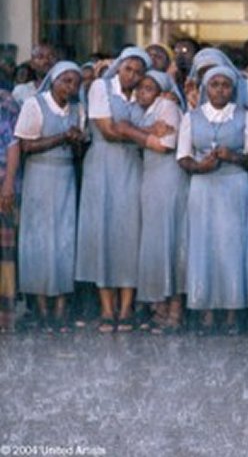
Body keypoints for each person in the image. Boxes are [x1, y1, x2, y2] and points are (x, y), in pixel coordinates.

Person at [177, 66, 248, 335]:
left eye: (226, 85)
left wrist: (234, 157)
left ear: (233, 89)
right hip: (203, 187)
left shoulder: (244, 116)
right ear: (206, 88)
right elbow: (183, 156)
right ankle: (206, 313)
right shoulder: (192, 117)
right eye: (214, 85)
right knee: (204, 245)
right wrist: (199, 167)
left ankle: (232, 313)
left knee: (232, 246)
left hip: (234, 186)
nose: (220, 90)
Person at [74, 47, 152, 333]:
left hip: (133, 166)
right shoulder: (101, 88)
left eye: (139, 72)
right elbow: (107, 130)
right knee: (103, 233)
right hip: (102, 167)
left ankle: (126, 307)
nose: (132, 75)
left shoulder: (145, 94)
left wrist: (132, 132)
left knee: (130, 233)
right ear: (118, 67)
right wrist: (146, 135)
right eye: (128, 68)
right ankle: (107, 308)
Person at [14, 61, 85, 333]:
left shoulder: (78, 109)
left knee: (64, 240)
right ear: (53, 80)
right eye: (66, 81)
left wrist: (76, 141)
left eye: (76, 83)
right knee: (39, 241)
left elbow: (79, 151)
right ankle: (42, 309)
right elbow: (26, 145)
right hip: (40, 178)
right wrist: (62, 137)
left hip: (65, 177)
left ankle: (61, 310)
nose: (71, 87)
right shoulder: (35, 104)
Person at [127, 70, 189, 333]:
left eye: (149, 88)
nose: (143, 93)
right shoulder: (141, 111)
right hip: (151, 177)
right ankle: (159, 305)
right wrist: (145, 131)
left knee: (170, 240)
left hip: (168, 178)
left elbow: (166, 144)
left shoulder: (167, 106)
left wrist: (132, 132)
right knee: (155, 242)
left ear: (161, 91)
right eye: (140, 88)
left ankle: (174, 309)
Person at [0, 89, 20, 333]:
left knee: (3, 252)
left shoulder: (5, 103)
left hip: (2, 178)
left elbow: (14, 145)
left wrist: (8, 184)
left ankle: (3, 317)